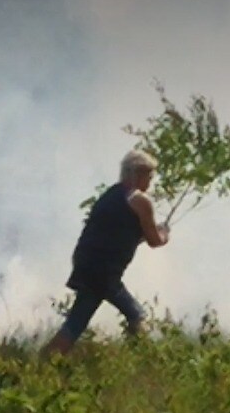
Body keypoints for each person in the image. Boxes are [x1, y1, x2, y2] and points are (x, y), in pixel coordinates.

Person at [42, 150, 170, 356]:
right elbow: (155, 240)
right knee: (137, 316)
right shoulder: (139, 201)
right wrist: (164, 234)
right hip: (105, 272)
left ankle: (42, 364)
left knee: (76, 323)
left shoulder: (112, 194)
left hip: (87, 263)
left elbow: (119, 233)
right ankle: (144, 361)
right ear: (137, 174)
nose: (150, 182)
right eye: (149, 176)